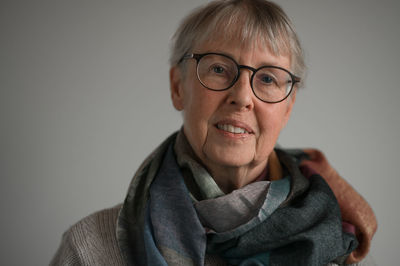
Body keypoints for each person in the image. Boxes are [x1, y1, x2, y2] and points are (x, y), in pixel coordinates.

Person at [51, 0, 377, 265]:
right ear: (178, 87)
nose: (243, 97)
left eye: (267, 79)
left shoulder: (334, 242)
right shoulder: (91, 249)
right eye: (219, 69)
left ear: (287, 108)